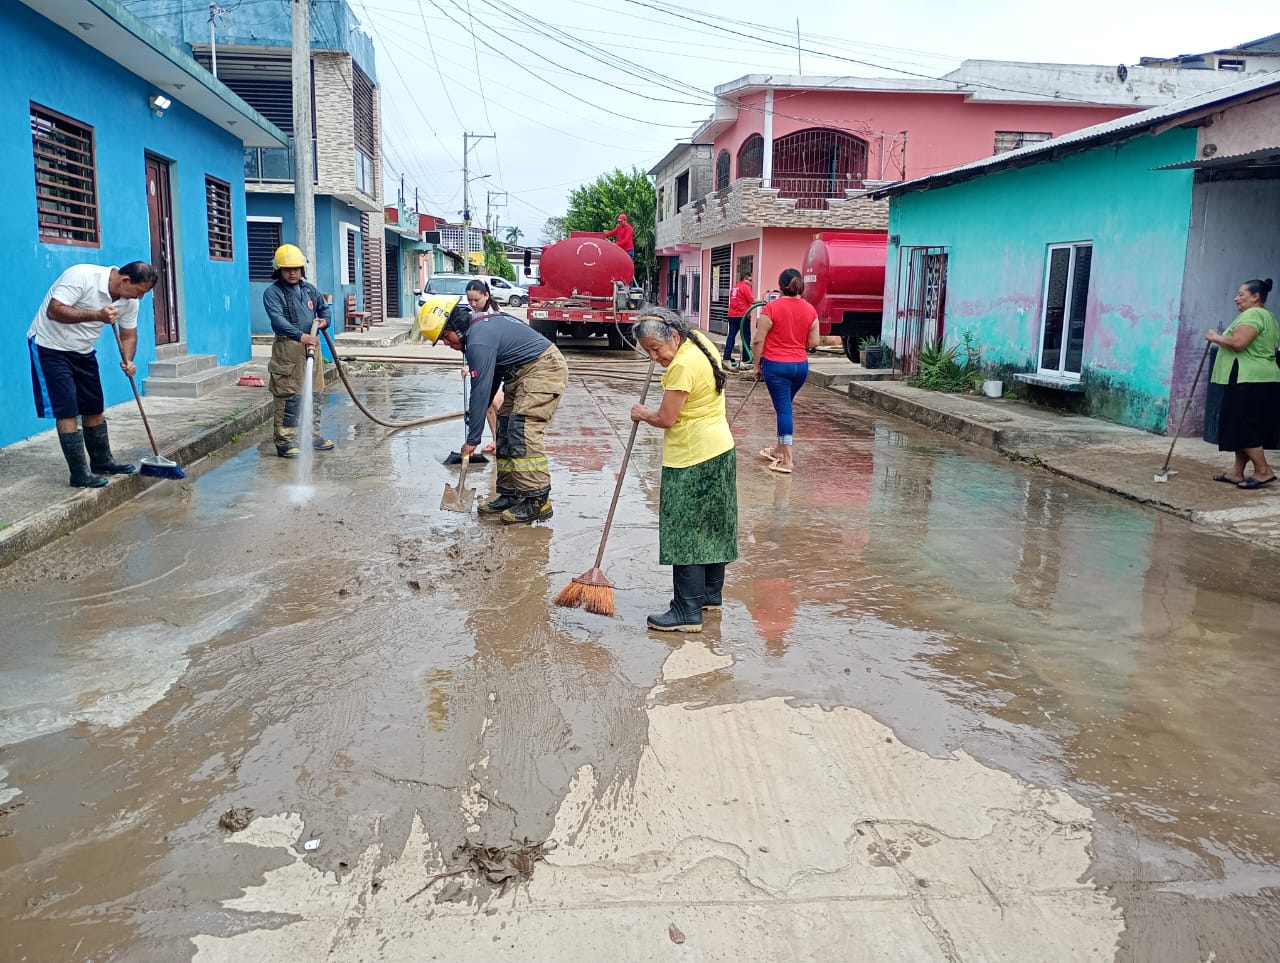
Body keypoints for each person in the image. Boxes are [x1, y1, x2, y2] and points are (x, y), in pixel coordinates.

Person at [424, 279, 569, 524]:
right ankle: (511, 493)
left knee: (521, 429)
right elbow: (490, 382)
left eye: (446, 337)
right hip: (521, 374)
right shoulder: (479, 331)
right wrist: (479, 417)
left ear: (456, 329)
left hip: (543, 369)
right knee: (504, 426)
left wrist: (472, 439)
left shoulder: (478, 340)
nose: (447, 344)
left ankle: (538, 500)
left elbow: (480, 389)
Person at [630, 307, 738, 633]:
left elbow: (666, 418)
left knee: (685, 532)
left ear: (674, 337)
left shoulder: (682, 365)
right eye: (647, 350)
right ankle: (708, 595)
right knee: (712, 526)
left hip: (691, 458)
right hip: (719, 449)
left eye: (656, 348)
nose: (653, 357)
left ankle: (686, 610)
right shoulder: (700, 342)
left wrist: (642, 413)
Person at [27, 261, 158, 488]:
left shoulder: (129, 302)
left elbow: (129, 336)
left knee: (94, 406)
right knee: (67, 409)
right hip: (50, 346)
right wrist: (97, 315)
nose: (140, 298)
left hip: (83, 350)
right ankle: (79, 474)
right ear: (126, 281)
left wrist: (128, 360)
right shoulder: (82, 276)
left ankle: (102, 461)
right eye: (140, 292)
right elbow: (54, 310)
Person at [1204, 277, 1280, 489]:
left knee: (1243, 424)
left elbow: (1238, 343)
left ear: (1256, 296)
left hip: (1249, 378)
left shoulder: (1254, 314)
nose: (1236, 298)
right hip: (1261, 377)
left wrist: (1215, 337)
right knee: (1244, 423)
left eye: (1241, 294)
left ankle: (1263, 470)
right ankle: (1237, 472)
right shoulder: (1268, 316)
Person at [263, 244, 334, 458]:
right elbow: (278, 320)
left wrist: (324, 322)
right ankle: (286, 442)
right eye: (287, 269)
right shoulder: (273, 293)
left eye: (296, 268)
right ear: (279, 270)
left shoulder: (309, 289)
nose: (293, 273)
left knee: (314, 393)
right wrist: (301, 336)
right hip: (289, 349)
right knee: (290, 396)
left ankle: (311, 436)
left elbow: (323, 308)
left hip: (312, 346)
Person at [751, 268, 820, 474]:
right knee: (785, 406)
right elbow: (814, 342)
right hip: (800, 366)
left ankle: (787, 460)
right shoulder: (810, 310)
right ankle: (779, 450)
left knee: (783, 409)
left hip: (776, 366)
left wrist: (756, 365)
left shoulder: (771, 308)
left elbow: (757, 340)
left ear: (780, 286)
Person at [724, 269, 755, 367]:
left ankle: (726, 357)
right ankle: (747, 358)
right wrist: (763, 301)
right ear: (745, 279)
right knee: (746, 338)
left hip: (732, 315)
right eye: (750, 280)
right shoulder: (745, 287)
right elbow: (752, 300)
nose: (751, 282)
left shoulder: (734, 287)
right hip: (743, 316)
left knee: (731, 336)